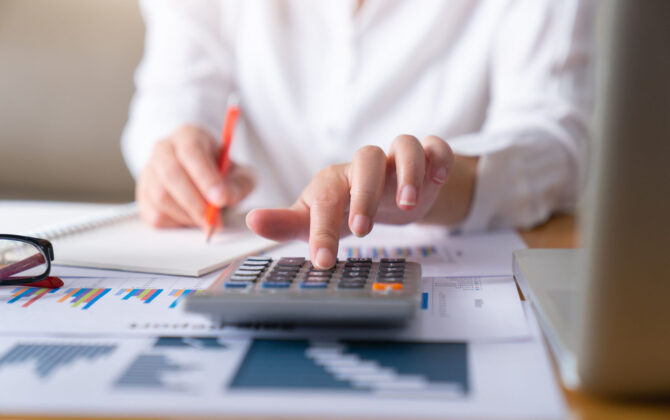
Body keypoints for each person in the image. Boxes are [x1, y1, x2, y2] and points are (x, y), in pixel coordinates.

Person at [122, 0, 594, 269]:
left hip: (441, 262)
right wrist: (174, 158)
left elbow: (554, 137)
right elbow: (172, 96)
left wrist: (436, 186)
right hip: (237, 257)